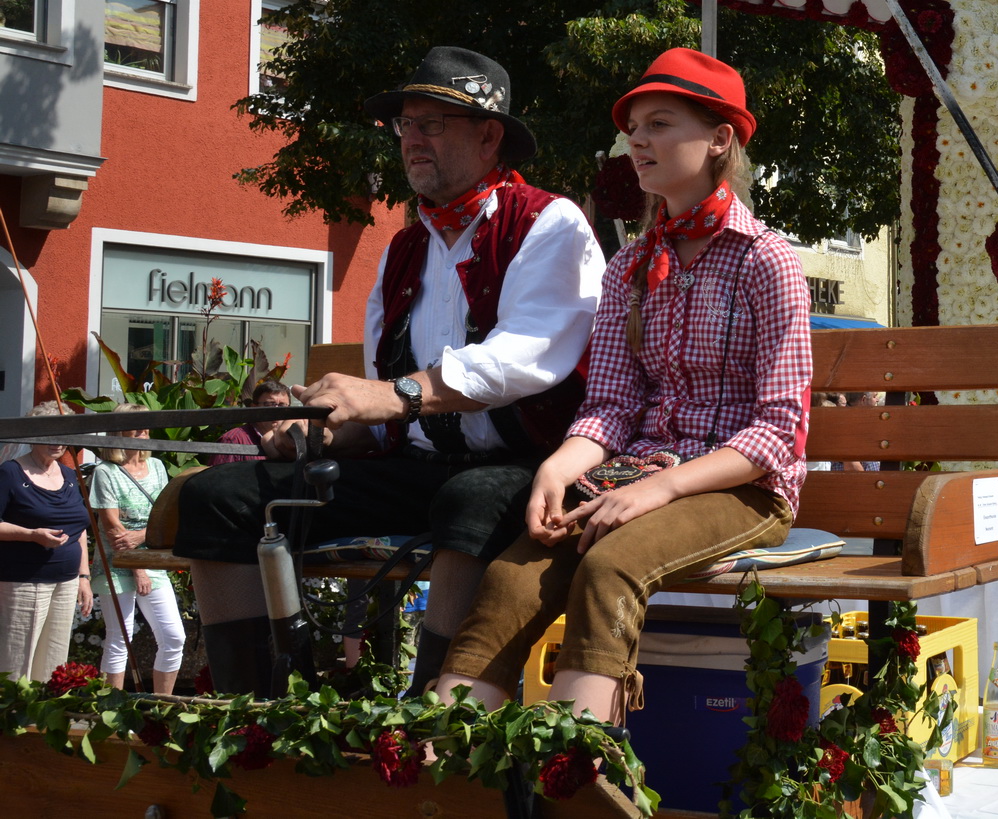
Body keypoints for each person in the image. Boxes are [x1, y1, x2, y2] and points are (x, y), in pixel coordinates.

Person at [173, 46, 605, 695]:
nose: (412, 139)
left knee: (468, 498)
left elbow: (525, 358)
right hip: (420, 471)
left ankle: (432, 713)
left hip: (538, 471)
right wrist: (320, 430)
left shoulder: (549, 223)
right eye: (407, 124)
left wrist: (391, 393)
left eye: (433, 123)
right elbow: (382, 424)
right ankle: (253, 711)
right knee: (216, 501)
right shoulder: (404, 249)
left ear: (490, 137)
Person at [434, 48, 808, 725]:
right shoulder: (631, 265)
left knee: (610, 569)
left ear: (720, 138)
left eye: (660, 123)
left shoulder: (766, 259)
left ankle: (572, 771)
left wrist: (656, 488)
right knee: (507, 579)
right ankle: (440, 771)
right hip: (635, 476)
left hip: (742, 486)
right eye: (633, 126)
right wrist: (557, 467)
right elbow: (610, 405)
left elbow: (778, 431)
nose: (637, 140)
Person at [89, 402, 184, 692]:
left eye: (146, 423)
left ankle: (161, 706)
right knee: (120, 637)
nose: (143, 429)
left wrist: (143, 535)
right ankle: (112, 710)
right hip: (116, 563)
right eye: (135, 424)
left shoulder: (156, 466)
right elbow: (112, 528)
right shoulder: (105, 471)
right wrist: (138, 567)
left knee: (173, 637)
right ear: (118, 431)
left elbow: (166, 518)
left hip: (152, 558)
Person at [0, 405, 93, 682]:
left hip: (65, 582)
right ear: (31, 435)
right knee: (16, 664)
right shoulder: (9, 474)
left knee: (54, 664)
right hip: (24, 581)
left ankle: (43, 721)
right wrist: (31, 535)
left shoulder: (67, 475)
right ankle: (11, 721)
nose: (58, 441)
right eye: (50, 433)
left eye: (63, 433)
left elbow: (80, 530)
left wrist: (83, 576)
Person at [210, 379, 302, 467]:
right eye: (269, 404)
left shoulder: (294, 439)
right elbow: (218, 478)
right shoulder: (232, 440)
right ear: (254, 408)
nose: (276, 410)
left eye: (282, 405)